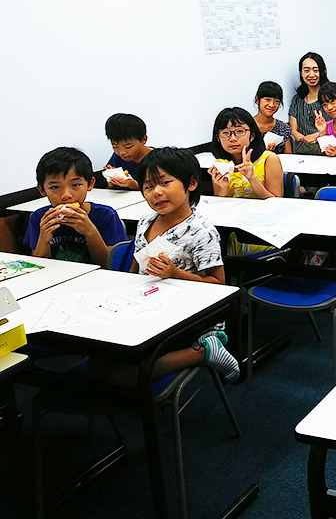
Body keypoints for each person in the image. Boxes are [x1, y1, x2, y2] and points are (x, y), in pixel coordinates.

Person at [131, 147, 239, 383]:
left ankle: (202, 352)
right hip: (146, 304)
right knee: (100, 364)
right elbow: (135, 266)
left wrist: (175, 273)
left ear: (191, 184)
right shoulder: (145, 221)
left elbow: (218, 285)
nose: (156, 192)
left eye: (165, 183)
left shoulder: (201, 232)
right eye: (148, 187)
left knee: (130, 373)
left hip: (190, 314)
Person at [25, 147, 127, 264]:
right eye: (55, 187)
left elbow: (109, 265)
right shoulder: (39, 218)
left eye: (75, 185)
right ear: (42, 190)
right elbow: (40, 265)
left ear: (90, 184)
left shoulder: (106, 216)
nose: (66, 195)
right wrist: (43, 239)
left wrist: (89, 231)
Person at [209, 107, 284, 199]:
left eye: (240, 131)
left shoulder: (269, 160)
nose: (232, 138)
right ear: (218, 138)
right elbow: (219, 205)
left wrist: (252, 177)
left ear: (252, 136)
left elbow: (276, 202)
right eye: (225, 133)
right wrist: (223, 189)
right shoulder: (220, 165)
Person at [288, 52, 328, 155]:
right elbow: (293, 129)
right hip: (302, 148)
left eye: (315, 70)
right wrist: (304, 139)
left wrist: (315, 136)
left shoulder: (330, 97)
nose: (311, 75)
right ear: (301, 73)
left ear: (322, 72)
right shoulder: (297, 100)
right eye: (306, 70)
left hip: (327, 146)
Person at [103, 113, 152, 190]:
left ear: (143, 140)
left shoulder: (157, 159)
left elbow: (161, 189)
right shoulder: (118, 157)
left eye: (128, 147)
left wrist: (134, 185)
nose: (122, 152)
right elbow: (111, 188)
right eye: (115, 146)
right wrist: (111, 179)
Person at [252, 81, 292, 155]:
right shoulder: (247, 126)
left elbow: (288, 157)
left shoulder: (283, 128)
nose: (272, 105)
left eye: (277, 101)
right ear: (257, 100)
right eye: (267, 99)